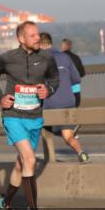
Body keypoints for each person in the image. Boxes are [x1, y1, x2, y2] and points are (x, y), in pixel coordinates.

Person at [0, 21, 60, 210]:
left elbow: (55, 78)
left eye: (38, 34)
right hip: (13, 116)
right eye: (33, 35)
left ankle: (5, 203)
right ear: (21, 38)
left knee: (21, 165)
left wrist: (49, 90)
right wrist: (0, 96)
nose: (38, 38)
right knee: (30, 159)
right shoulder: (8, 58)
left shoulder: (46, 58)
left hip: (35, 117)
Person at [40, 32, 89, 163]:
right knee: (68, 135)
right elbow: (76, 79)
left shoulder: (39, 60)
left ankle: (49, 162)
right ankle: (81, 152)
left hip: (50, 103)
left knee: (42, 131)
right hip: (68, 101)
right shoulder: (65, 57)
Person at [60, 39, 86, 107]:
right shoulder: (76, 58)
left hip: (63, 88)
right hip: (75, 88)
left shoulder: (59, 58)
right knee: (75, 107)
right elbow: (82, 73)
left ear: (63, 46)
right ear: (71, 46)